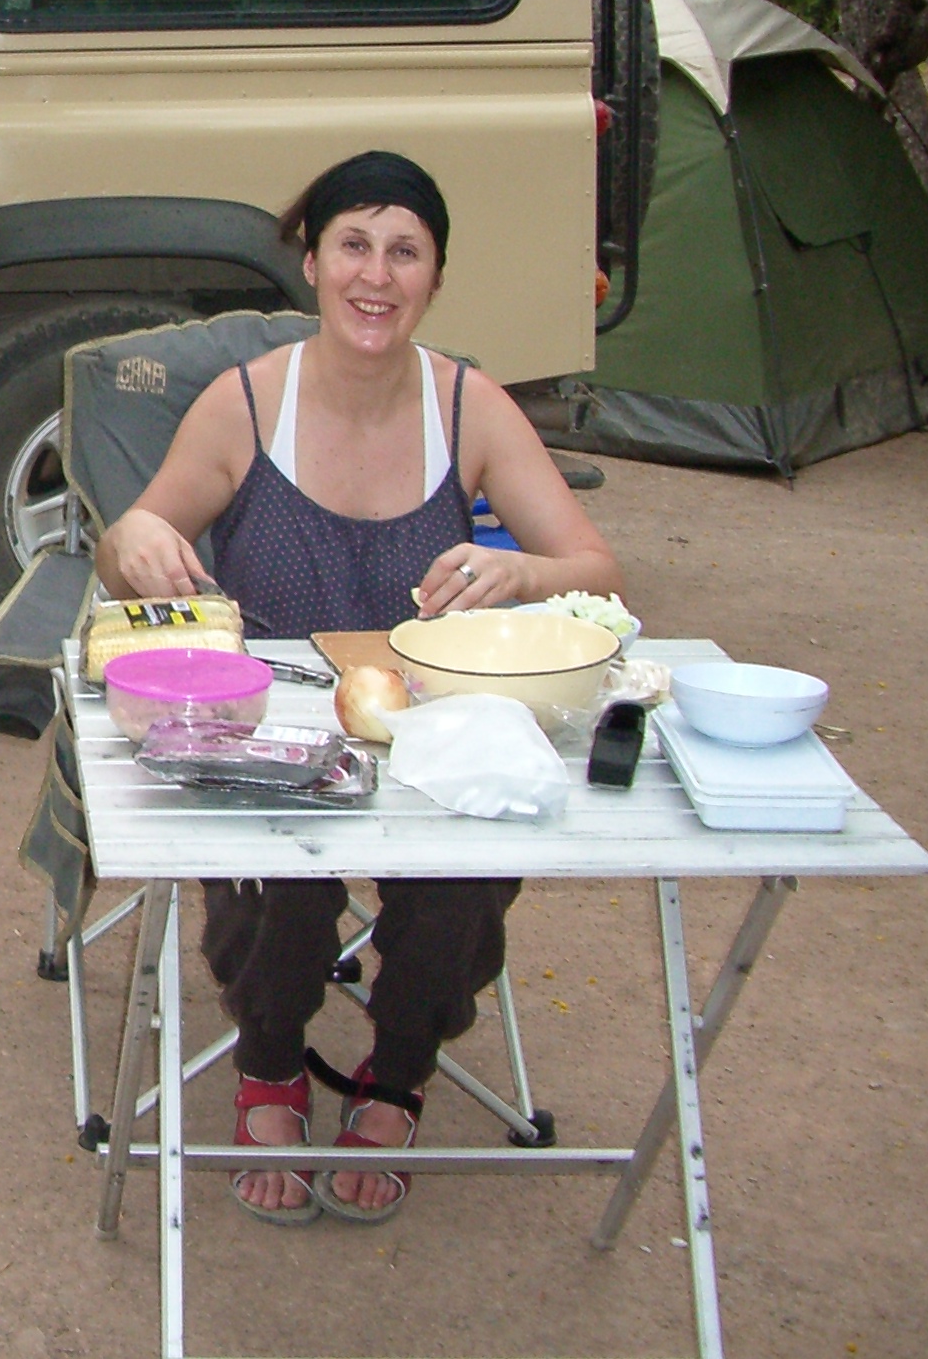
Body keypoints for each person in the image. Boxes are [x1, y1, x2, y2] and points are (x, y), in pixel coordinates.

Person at [93, 150, 622, 1227]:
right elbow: (128, 543)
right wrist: (135, 540)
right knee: (278, 889)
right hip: (275, 742)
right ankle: (269, 1063)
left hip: (428, 733)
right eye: (353, 245)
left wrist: (522, 574)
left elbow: (597, 570)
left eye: (404, 252)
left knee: (464, 880)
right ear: (313, 261)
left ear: (435, 276)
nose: (375, 276)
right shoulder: (246, 405)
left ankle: (397, 1073)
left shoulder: (469, 407)